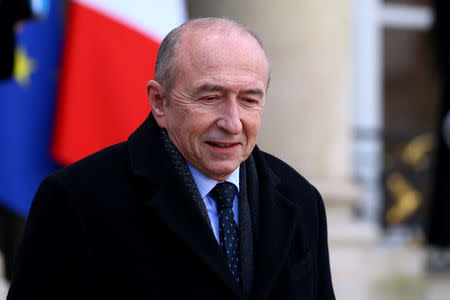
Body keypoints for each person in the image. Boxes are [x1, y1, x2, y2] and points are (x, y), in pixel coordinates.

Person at [7, 18, 335, 300]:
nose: (232, 122)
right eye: (210, 98)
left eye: (249, 100)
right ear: (159, 102)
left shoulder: (300, 198)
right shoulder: (76, 199)